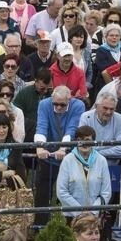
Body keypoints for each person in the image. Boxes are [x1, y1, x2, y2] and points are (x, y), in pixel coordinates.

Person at [34, 85, 85, 225]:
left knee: (73, 192)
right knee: (43, 192)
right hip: (49, 155)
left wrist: (63, 148)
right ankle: (40, 226)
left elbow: (72, 128)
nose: (58, 108)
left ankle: (72, 226)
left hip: (70, 157)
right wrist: (40, 147)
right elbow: (41, 126)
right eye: (55, 104)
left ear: (70, 99)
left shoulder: (78, 105)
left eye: (62, 105)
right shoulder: (44, 104)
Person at [57, 126, 111, 218]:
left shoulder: (102, 160)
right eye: (80, 139)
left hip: (95, 217)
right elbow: (61, 191)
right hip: (71, 216)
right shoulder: (67, 160)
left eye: (87, 140)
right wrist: (80, 212)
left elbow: (106, 192)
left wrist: (93, 212)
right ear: (76, 141)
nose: (84, 143)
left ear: (93, 141)